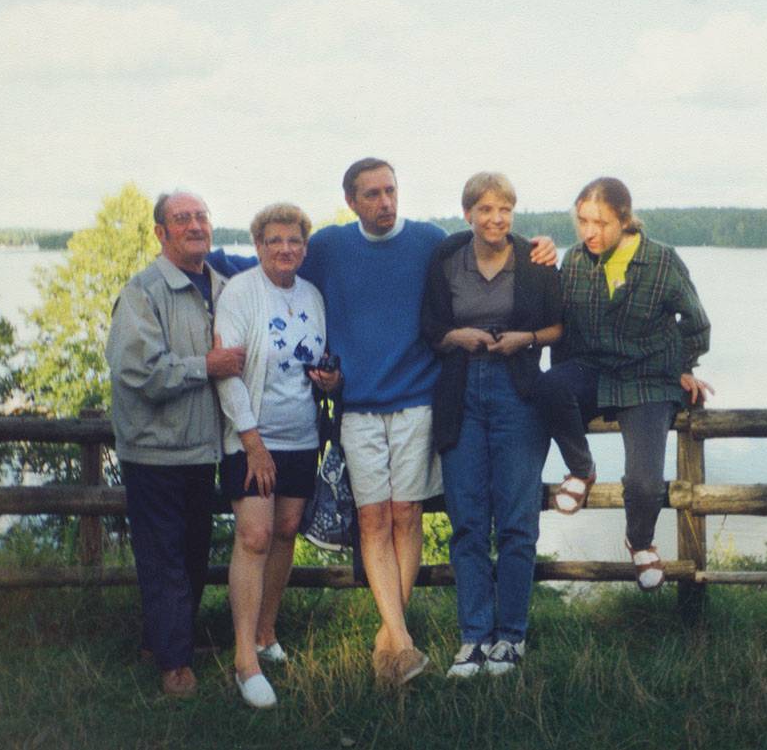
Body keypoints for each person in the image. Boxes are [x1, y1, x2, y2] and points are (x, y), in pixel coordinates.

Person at [296, 158, 559, 684]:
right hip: (363, 403)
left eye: (391, 190)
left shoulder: (430, 243)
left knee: (412, 514)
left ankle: (420, 634)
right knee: (379, 519)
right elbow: (274, 268)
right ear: (351, 201)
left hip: (422, 398)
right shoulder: (327, 246)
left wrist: (545, 245)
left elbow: (494, 243)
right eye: (371, 194)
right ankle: (403, 637)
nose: (385, 202)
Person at [535, 177, 712, 591]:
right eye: (582, 221)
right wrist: (565, 381)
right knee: (548, 386)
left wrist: (682, 366)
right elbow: (566, 331)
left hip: (649, 380)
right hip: (595, 371)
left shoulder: (662, 261)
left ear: (625, 220)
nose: (589, 232)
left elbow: (697, 325)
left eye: (601, 223)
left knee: (645, 483)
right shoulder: (576, 261)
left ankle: (641, 540)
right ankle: (582, 469)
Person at [105, 190, 246, 697]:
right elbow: (137, 371)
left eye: (201, 217)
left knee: (189, 554)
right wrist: (206, 367)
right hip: (155, 450)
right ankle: (174, 666)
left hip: (203, 448)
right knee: (164, 557)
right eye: (181, 219)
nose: (195, 225)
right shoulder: (144, 292)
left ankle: (161, 642)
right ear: (161, 233)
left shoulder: (224, 286)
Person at [421, 172, 562, 677]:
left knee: (518, 522)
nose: (496, 219)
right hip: (460, 394)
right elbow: (431, 330)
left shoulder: (535, 259)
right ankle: (474, 638)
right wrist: (455, 336)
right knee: (468, 523)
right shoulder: (445, 260)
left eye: (504, 209)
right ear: (468, 214)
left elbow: (557, 326)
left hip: (518, 392)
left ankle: (512, 637)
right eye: (485, 209)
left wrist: (524, 339)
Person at [213, 203, 340, 708]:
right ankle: (245, 661)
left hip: (302, 436)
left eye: (294, 241)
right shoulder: (241, 292)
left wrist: (330, 379)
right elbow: (227, 372)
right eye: (274, 241)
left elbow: (316, 359)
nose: (285, 249)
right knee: (255, 534)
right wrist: (252, 443)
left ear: (304, 248)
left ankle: (266, 634)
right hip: (253, 437)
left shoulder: (311, 294)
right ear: (258, 245)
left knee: (286, 530)